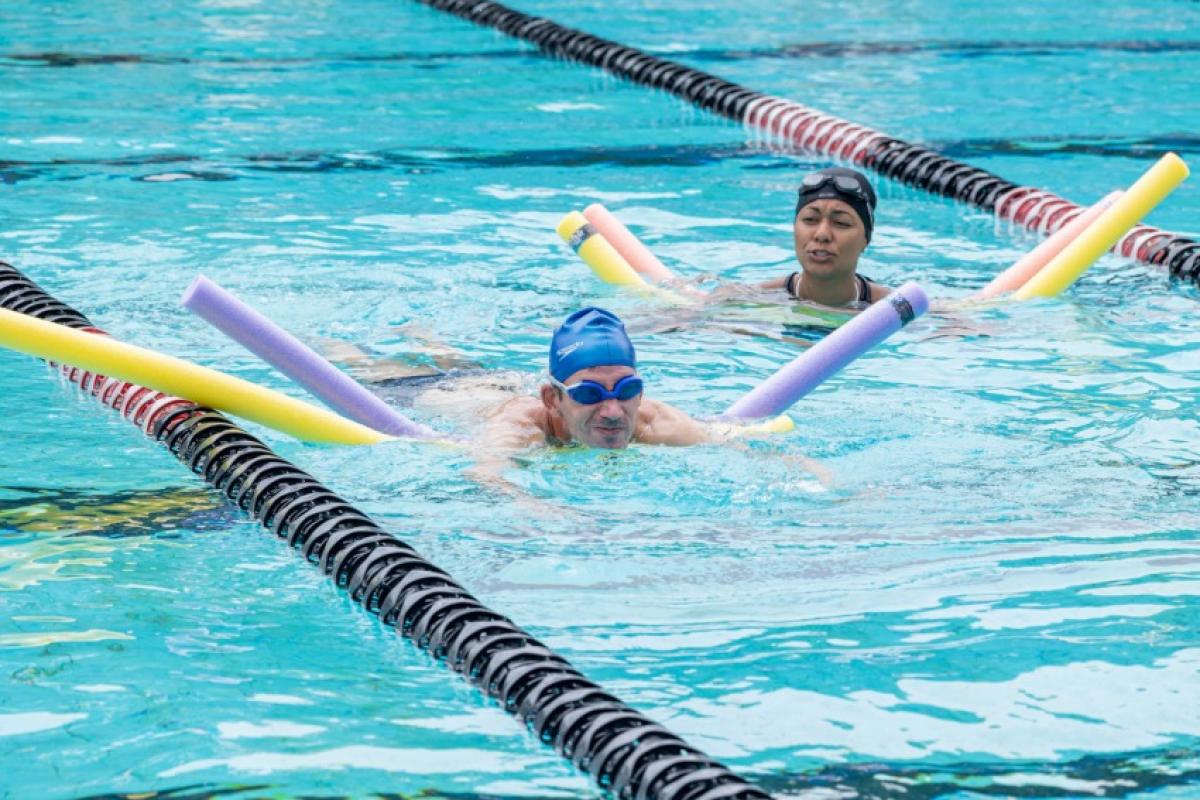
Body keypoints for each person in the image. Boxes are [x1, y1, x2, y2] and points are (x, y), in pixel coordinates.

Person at [760, 167, 891, 307]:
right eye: (810, 219)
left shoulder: (892, 307)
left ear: (866, 239)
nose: (822, 235)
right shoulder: (758, 299)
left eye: (841, 223)